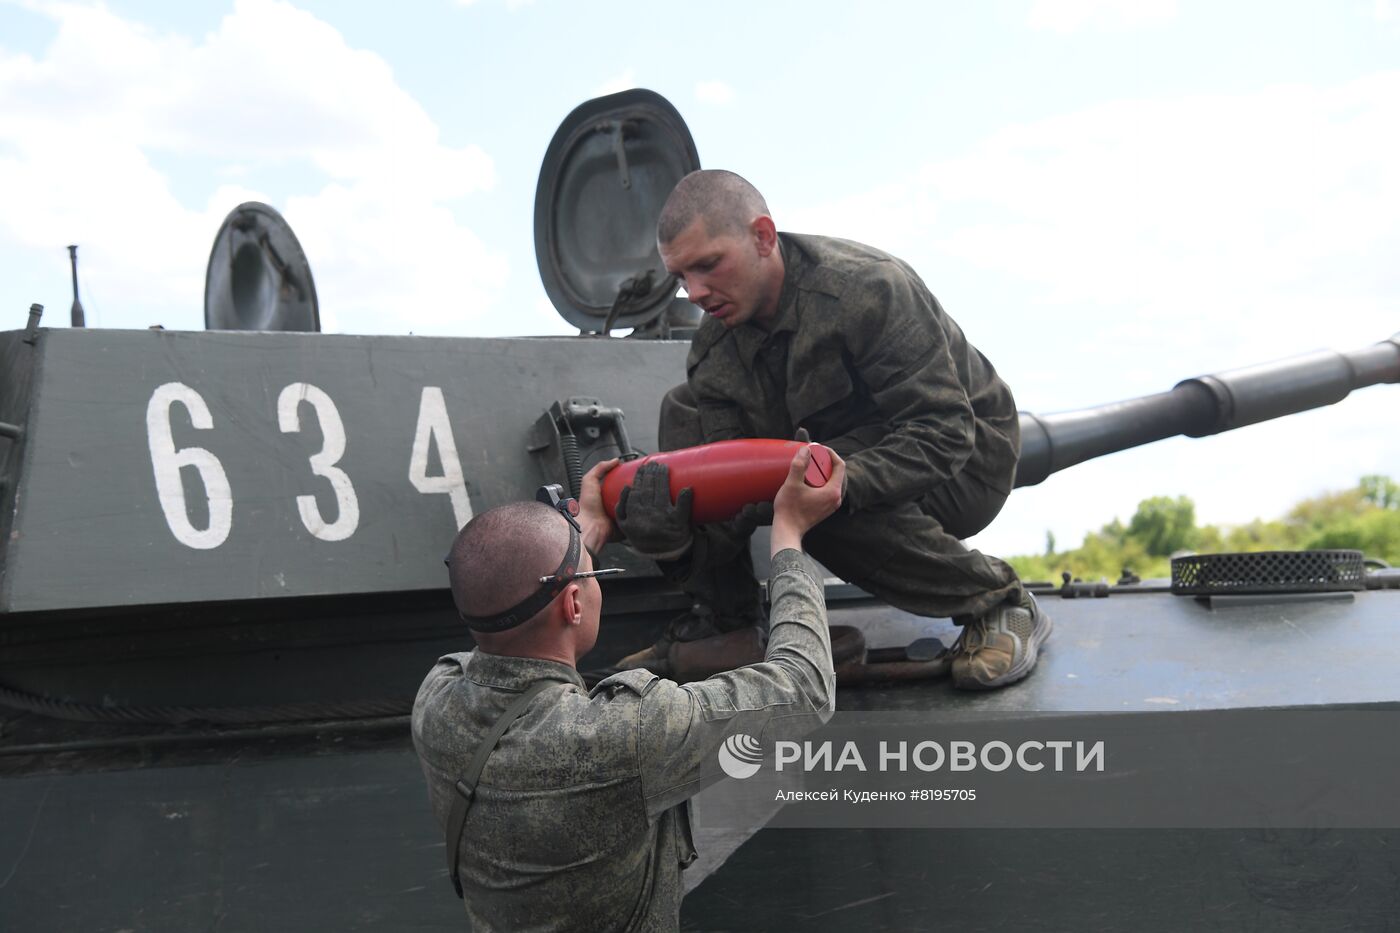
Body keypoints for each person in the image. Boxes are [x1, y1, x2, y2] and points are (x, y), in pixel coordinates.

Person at [612, 169, 1050, 691]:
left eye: (709, 265)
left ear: (763, 237)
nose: (697, 292)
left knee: (812, 495)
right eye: (681, 277)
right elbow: (729, 508)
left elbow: (944, 431)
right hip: (831, 454)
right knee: (685, 414)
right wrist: (677, 540)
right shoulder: (715, 351)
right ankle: (729, 620)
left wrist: (831, 483)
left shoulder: (865, 290)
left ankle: (997, 600)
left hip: (967, 461)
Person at [412, 445, 845, 932]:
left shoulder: (435, 697)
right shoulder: (625, 735)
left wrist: (580, 538)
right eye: (591, 573)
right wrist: (789, 533)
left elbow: (505, 607)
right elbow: (804, 687)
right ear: (574, 603)